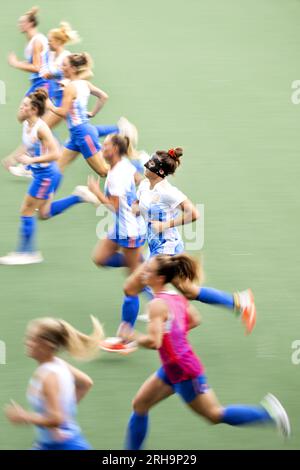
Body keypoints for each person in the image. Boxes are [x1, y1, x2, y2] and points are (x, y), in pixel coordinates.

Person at [124, 254, 291, 449]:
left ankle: (269, 415)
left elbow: (153, 342)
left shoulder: (155, 305)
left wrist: (132, 336)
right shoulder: (173, 297)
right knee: (140, 405)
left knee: (214, 414)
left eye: (148, 270)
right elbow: (195, 319)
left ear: (160, 278)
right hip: (172, 367)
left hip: (184, 371)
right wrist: (173, 338)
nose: (143, 272)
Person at [101, 147, 255, 352]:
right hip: (157, 246)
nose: (146, 166)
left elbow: (193, 214)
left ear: (161, 172)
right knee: (189, 291)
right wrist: (136, 208)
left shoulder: (169, 192)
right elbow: (139, 202)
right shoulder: (146, 185)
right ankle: (239, 302)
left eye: (151, 165)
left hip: (167, 249)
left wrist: (165, 225)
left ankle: (125, 338)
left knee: (130, 288)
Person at [0, 89, 98, 265]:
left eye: (24, 106)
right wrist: (13, 157)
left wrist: (32, 159)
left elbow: (56, 154)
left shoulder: (42, 129)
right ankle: (78, 197)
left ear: (34, 110)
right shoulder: (27, 125)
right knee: (44, 213)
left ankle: (27, 253)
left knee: (26, 210)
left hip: (45, 176)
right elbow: (26, 145)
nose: (21, 108)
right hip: (44, 173)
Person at [5, 315, 104, 450]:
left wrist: (25, 416)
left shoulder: (48, 377)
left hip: (65, 446)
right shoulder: (58, 364)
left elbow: (56, 419)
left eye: (32, 339)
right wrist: (64, 408)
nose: (26, 342)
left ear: (47, 344)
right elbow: (85, 383)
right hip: (52, 444)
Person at [46, 52, 109, 177]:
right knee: (56, 170)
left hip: (83, 133)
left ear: (73, 69)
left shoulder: (70, 87)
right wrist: (92, 113)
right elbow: (103, 97)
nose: (61, 68)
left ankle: (135, 170)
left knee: (103, 171)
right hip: (76, 135)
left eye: (64, 65)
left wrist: (50, 106)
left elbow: (63, 112)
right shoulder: (85, 84)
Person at [8, 7, 49, 96]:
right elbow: (33, 62)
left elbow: (36, 67)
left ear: (31, 23)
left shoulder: (37, 41)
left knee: (25, 108)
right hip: (37, 82)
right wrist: (18, 62)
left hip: (43, 83)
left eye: (22, 22)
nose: (19, 25)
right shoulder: (31, 41)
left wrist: (16, 64)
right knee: (25, 108)